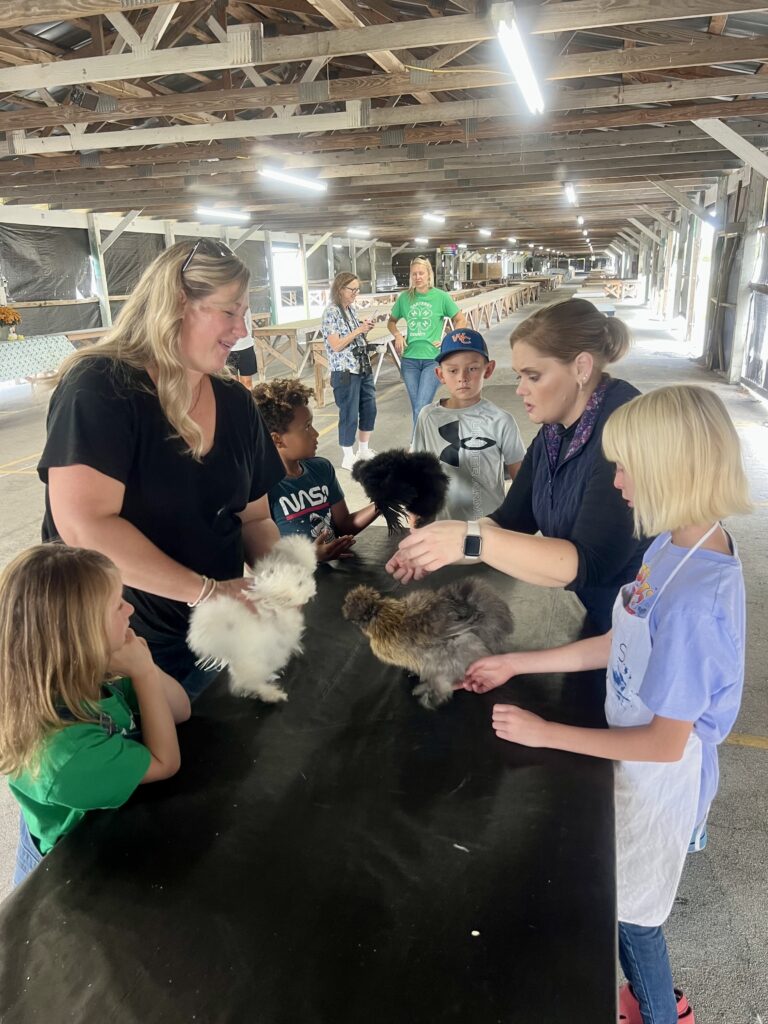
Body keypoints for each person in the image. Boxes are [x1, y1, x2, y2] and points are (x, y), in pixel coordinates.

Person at [461, 385, 751, 1024]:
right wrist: (518, 662)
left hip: (657, 780)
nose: (616, 481)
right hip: (631, 750)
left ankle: (659, 1010)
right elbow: (625, 633)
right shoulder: (673, 545)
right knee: (613, 891)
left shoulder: (698, 600)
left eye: (625, 466)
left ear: (671, 469)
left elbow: (663, 743)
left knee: (635, 914)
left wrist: (547, 732)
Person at [38, 239, 286, 700]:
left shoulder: (234, 403)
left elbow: (254, 517)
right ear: (176, 304)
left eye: (245, 313)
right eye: (229, 312)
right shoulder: (102, 388)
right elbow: (84, 526)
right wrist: (209, 592)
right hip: (116, 654)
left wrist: (281, 583)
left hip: (218, 642)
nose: (241, 329)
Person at [387, 298, 645, 633]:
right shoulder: (556, 431)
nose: (520, 389)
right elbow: (511, 520)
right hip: (601, 616)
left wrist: (469, 540)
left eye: (533, 376)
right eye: (520, 376)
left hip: (641, 621)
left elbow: (591, 563)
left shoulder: (624, 430)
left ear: (581, 367)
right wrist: (436, 547)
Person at [0, 545, 191, 886]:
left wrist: (141, 667)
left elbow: (180, 710)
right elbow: (166, 763)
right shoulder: (66, 755)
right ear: (80, 636)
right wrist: (144, 674)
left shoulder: (93, 673)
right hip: (68, 864)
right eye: (118, 604)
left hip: (106, 812)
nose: (131, 608)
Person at [253, 378, 380, 562]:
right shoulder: (261, 488)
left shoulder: (321, 469)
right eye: (306, 427)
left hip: (333, 577)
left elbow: (343, 525)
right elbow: (262, 556)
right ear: (277, 439)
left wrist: (382, 503)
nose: (315, 433)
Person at [412, 327, 525, 521]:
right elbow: (416, 470)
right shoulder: (428, 416)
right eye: (452, 370)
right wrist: (414, 510)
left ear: (488, 369)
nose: (462, 377)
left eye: (472, 368)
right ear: (440, 374)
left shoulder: (501, 421)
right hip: (442, 528)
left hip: (489, 529)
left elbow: (522, 482)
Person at [387, 257, 468, 427]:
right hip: (409, 361)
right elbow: (391, 321)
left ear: (428, 274)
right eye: (414, 274)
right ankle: (425, 443)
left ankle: (416, 446)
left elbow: (460, 320)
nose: (417, 277)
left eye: (421, 273)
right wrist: (397, 335)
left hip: (433, 360)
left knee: (421, 407)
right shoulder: (404, 298)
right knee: (418, 407)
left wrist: (448, 340)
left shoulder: (441, 297)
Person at [321, 272, 378, 471]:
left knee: (369, 407)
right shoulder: (331, 312)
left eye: (357, 289)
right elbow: (336, 345)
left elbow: (354, 337)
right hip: (345, 370)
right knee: (349, 413)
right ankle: (347, 455)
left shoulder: (350, 310)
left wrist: (364, 329)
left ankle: (363, 449)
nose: (355, 293)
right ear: (339, 289)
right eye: (351, 289)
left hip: (361, 366)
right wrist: (357, 331)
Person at [227, 307, 257, 389]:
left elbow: (248, 324)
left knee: (247, 382)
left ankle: (248, 401)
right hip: (228, 349)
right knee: (232, 383)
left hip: (246, 347)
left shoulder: (244, 305)